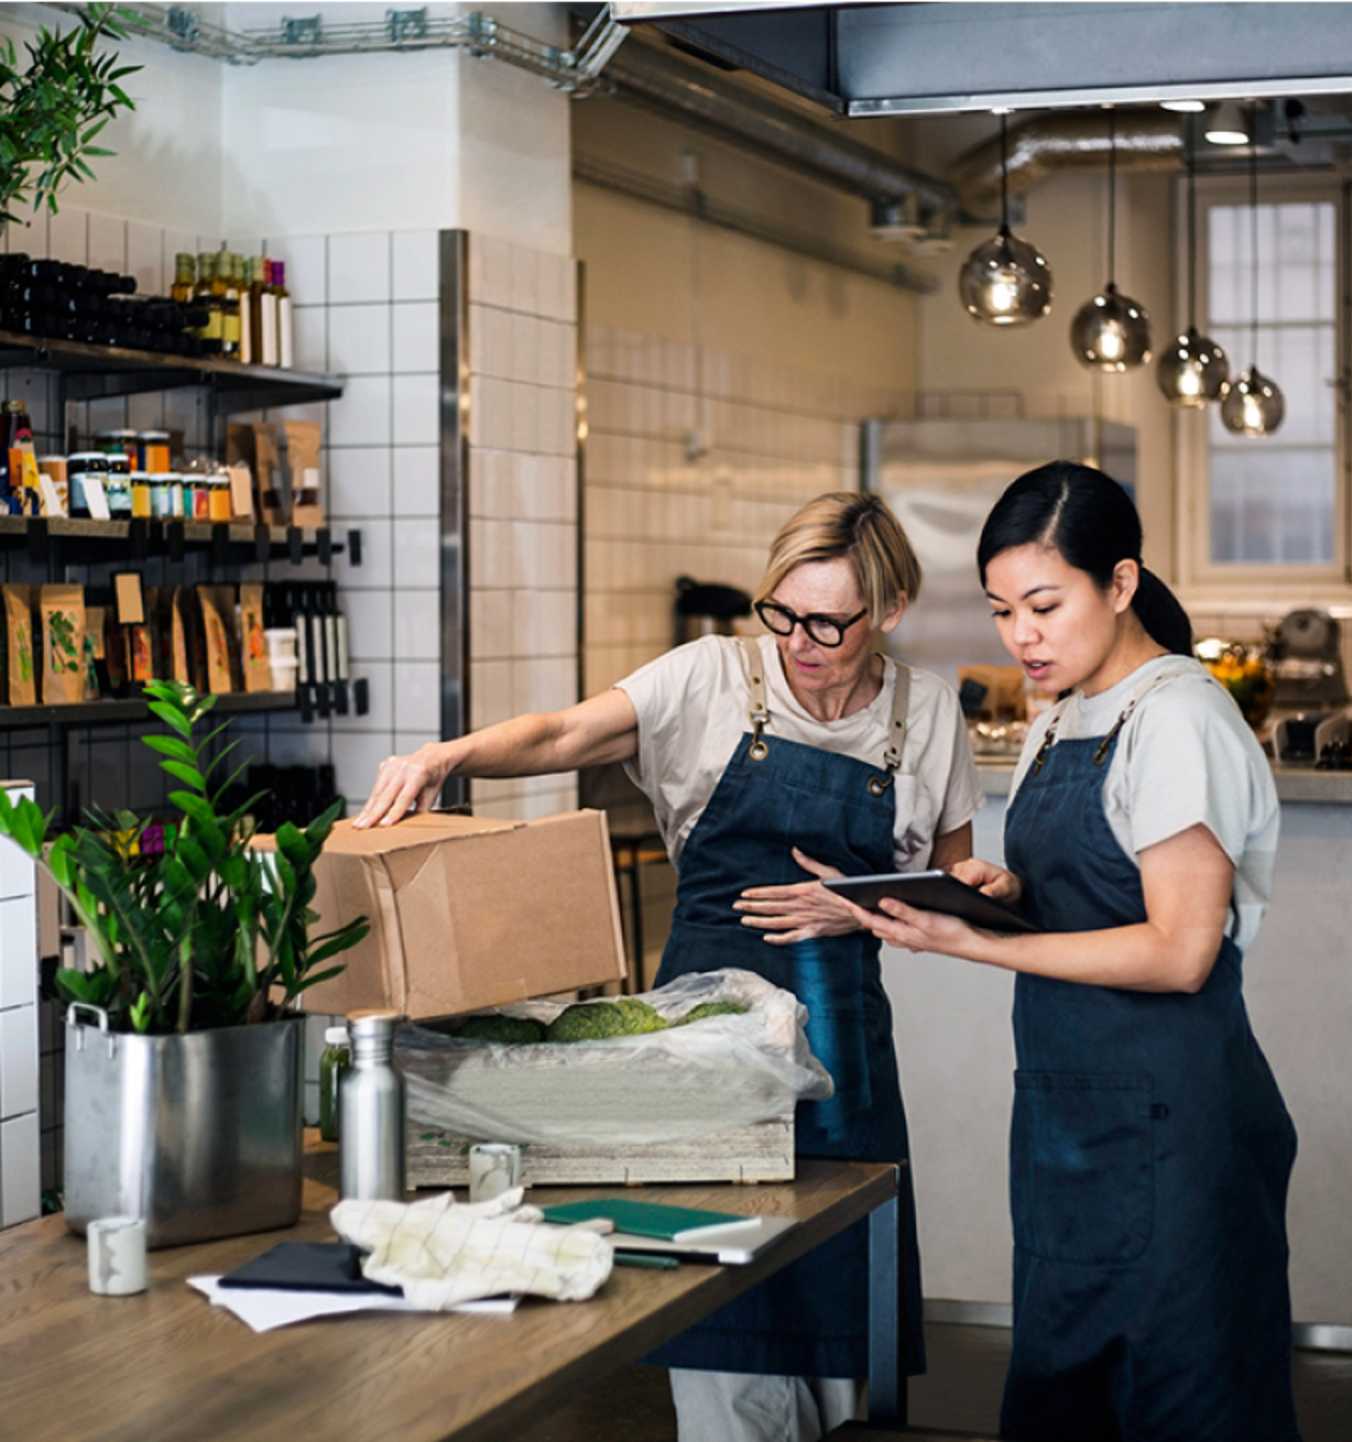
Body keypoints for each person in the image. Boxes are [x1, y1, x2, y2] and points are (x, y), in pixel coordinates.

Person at [353, 491, 983, 1442]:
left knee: (839, 1315)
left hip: (844, 1053)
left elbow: (949, 882)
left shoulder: (926, 713)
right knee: (714, 1312)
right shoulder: (710, 677)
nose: (800, 641)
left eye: (828, 622)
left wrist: (864, 905)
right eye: (782, 612)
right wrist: (449, 757)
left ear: (889, 612)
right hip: (698, 1052)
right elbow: (564, 733)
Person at [839, 462, 1300, 1442]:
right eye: (1004, 610)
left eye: (1044, 605)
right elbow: (1094, 889)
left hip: (1174, 1125)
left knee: (1183, 1396)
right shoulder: (1063, 712)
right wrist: (1006, 892)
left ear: (1122, 583)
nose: (1021, 637)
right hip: (1069, 1121)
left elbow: (1181, 951)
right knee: (1064, 1397)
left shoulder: (1176, 714)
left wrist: (977, 945)